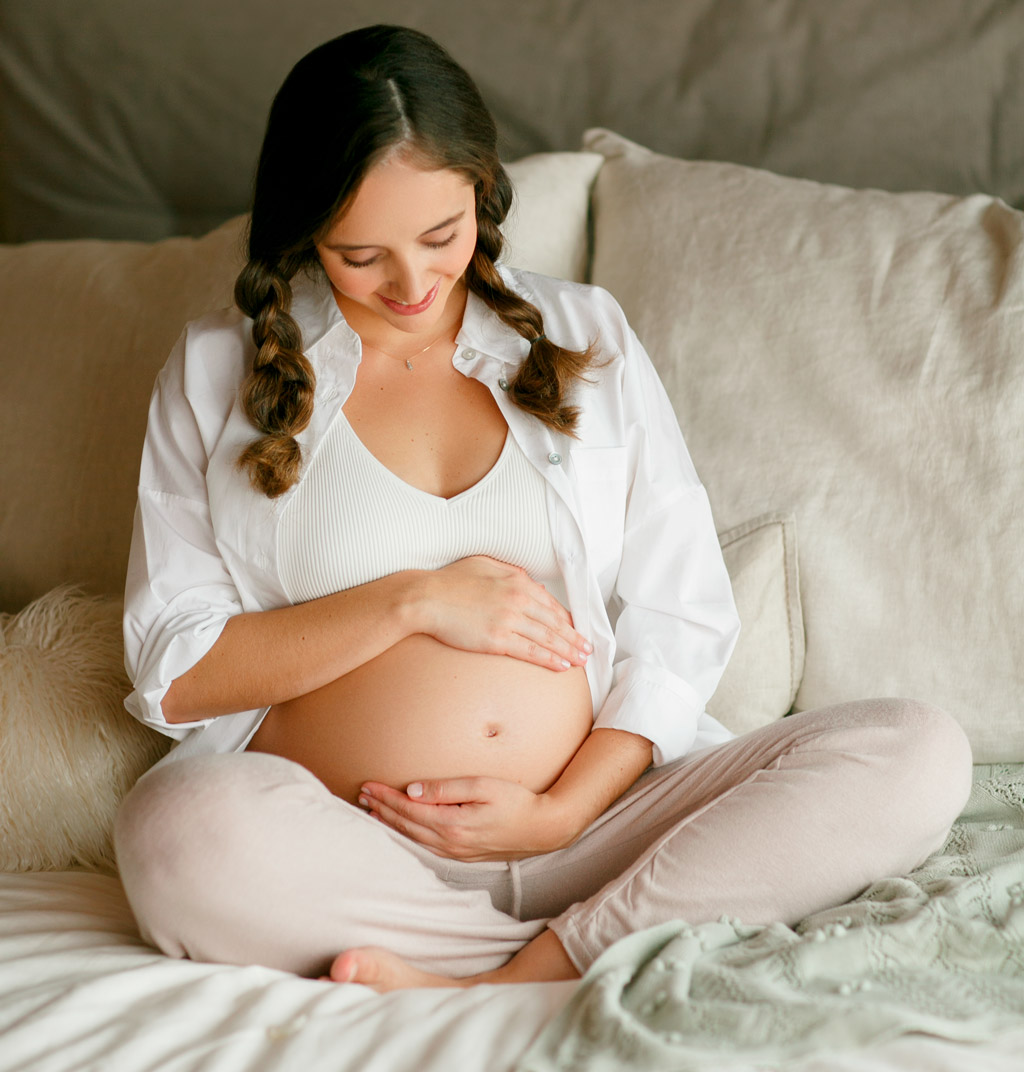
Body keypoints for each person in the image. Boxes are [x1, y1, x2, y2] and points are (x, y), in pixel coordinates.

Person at [114, 24, 972, 992]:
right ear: (304, 229)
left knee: (920, 752)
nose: (411, 285)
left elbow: (678, 614)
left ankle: (513, 975)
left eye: (441, 236)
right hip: (355, 848)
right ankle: (590, 953)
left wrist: (562, 810)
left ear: (481, 190)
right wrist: (414, 600)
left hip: (600, 832)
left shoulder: (580, 334)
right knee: (171, 831)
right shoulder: (215, 374)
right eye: (361, 256)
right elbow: (174, 666)